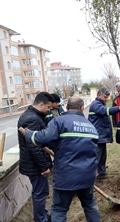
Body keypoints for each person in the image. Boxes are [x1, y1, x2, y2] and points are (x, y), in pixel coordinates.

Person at [19, 97, 101, 222]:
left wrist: (29, 133)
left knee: (59, 210)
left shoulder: (59, 122)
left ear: (67, 108)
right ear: (81, 108)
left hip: (66, 176)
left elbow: (41, 138)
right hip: (87, 175)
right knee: (90, 206)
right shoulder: (91, 126)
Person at [17, 91, 54, 222]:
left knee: (39, 192)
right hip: (35, 166)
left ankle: (42, 215)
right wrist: (43, 167)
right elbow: (34, 146)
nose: (49, 110)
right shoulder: (31, 119)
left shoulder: (33, 115)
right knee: (40, 193)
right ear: (41, 104)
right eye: (48, 107)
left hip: (34, 164)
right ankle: (41, 219)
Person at [88, 87, 120, 180]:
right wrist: (119, 108)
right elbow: (104, 111)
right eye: (105, 97)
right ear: (98, 95)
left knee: (102, 157)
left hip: (102, 135)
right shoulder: (96, 104)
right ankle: (89, 177)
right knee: (96, 157)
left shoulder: (101, 103)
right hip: (97, 135)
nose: (106, 99)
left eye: (107, 97)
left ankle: (102, 174)